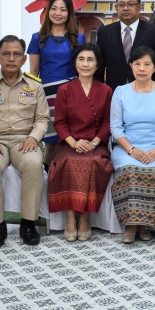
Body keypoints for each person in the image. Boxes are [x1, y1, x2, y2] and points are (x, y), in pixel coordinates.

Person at [0, 36, 50, 248]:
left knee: (34, 164)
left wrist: (33, 137)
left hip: (25, 141)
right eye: (6, 54)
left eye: (16, 54)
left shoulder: (34, 85)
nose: (11, 58)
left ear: (24, 59)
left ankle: (28, 223)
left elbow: (42, 118)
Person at [111, 45, 155, 243]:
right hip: (127, 147)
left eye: (147, 64)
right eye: (137, 64)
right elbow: (116, 127)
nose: (142, 68)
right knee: (131, 170)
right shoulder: (121, 92)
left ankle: (148, 225)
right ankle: (132, 225)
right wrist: (132, 150)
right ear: (131, 66)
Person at [49, 43, 113, 242]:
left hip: (96, 144)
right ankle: (70, 215)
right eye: (81, 59)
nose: (86, 64)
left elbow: (107, 122)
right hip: (68, 144)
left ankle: (85, 216)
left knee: (93, 163)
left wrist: (93, 143)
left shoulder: (106, 90)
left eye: (90, 60)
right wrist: (74, 143)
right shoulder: (64, 90)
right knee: (69, 161)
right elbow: (59, 122)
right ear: (75, 63)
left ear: (97, 64)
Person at [26, 0, 85, 165]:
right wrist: (30, 99)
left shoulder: (78, 38)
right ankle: (48, 179)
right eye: (54, 8)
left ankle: (66, 180)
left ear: (69, 13)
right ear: (48, 11)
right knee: (50, 142)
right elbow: (33, 71)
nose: (57, 13)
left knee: (69, 140)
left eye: (63, 9)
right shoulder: (37, 38)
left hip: (71, 95)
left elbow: (82, 70)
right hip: (46, 95)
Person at [95, 0, 155, 91]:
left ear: (139, 7)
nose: (126, 8)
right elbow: (99, 68)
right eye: (121, 5)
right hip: (113, 92)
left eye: (131, 4)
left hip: (145, 92)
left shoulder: (154, 33)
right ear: (116, 8)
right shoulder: (105, 33)